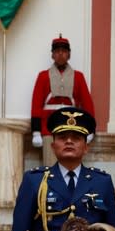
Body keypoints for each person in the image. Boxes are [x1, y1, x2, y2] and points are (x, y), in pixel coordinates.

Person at [30, 35, 95, 165]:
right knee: (50, 165)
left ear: (69, 55)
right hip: (49, 128)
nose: (60, 54)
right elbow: (36, 103)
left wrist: (90, 129)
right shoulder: (43, 76)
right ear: (52, 55)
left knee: (71, 164)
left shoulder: (79, 77)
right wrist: (36, 131)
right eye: (57, 51)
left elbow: (87, 103)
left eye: (64, 51)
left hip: (73, 125)